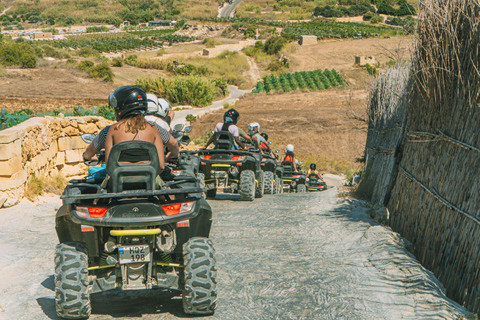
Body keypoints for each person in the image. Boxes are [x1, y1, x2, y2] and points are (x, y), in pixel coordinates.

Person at [83, 89, 179, 162]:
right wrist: (172, 155)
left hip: (117, 183)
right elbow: (174, 144)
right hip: (149, 181)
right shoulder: (154, 129)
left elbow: (89, 152)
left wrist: (87, 156)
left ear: (121, 109)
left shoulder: (109, 131)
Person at [104, 86, 165, 173]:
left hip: (119, 183)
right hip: (148, 181)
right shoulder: (153, 130)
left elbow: (109, 165)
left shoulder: (114, 130)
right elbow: (161, 166)